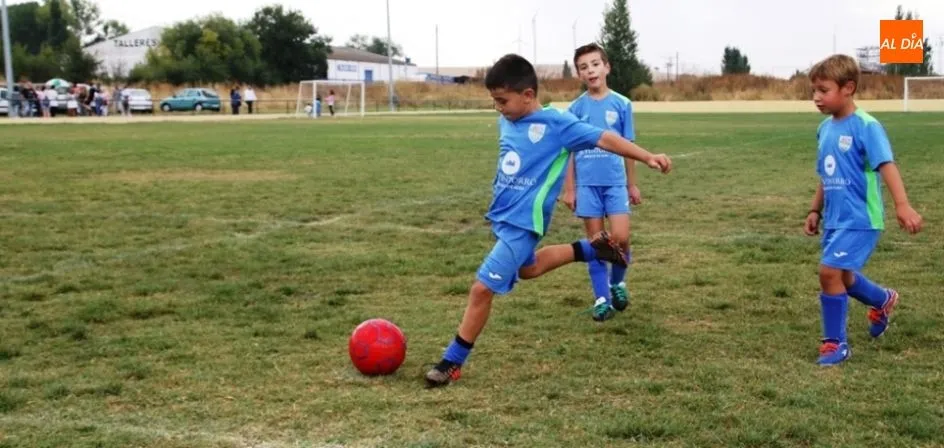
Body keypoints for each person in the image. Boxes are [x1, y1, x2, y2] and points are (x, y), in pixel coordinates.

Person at [424, 54, 673, 388]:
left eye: (503, 101)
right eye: (494, 101)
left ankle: (453, 361)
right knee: (528, 270)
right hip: (502, 216)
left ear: (528, 95)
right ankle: (591, 250)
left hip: (525, 223)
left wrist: (647, 156)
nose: (498, 108)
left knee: (482, 289)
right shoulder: (506, 120)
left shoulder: (559, 124)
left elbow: (605, 138)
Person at [804, 54, 923, 366]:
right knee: (841, 276)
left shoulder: (867, 126)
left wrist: (902, 205)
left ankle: (835, 344)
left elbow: (887, 165)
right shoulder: (823, 129)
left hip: (861, 218)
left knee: (828, 272)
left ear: (848, 88)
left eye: (823, 89)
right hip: (835, 219)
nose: (816, 97)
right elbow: (825, 173)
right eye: (813, 90)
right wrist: (815, 210)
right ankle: (882, 300)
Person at [561, 43, 640, 322]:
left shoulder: (622, 104)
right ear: (580, 74)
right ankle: (602, 299)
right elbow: (568, 152)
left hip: (615, 183)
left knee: (620, 238)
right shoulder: (574, 109)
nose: (590, 70)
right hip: (588, 186)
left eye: (595, 64)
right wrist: (570, 189)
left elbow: (629, 147)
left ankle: (617, 282)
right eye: (584, 67)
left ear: (606, 67)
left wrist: (632, 184)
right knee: (597, 244)